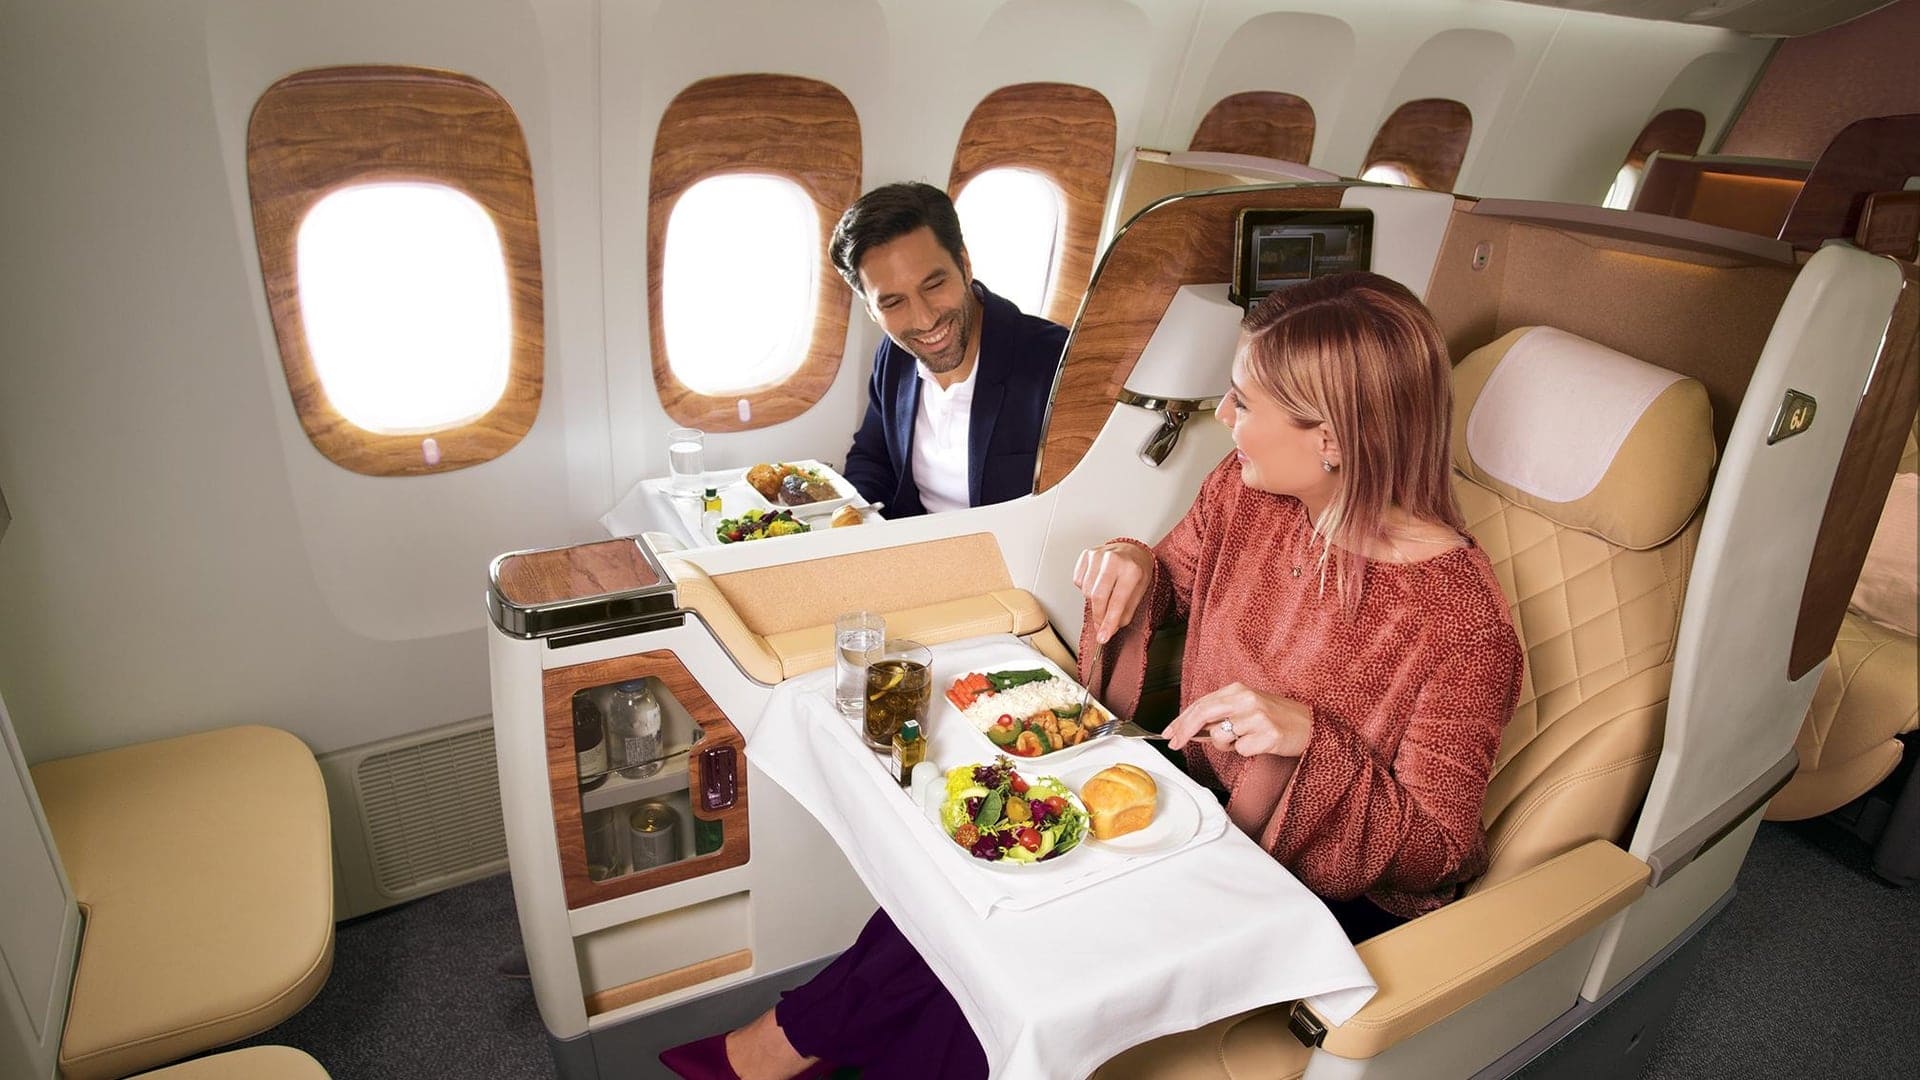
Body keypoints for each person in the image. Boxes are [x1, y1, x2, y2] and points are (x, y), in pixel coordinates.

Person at [660, 272, 1524, 1080]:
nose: (1222, 415)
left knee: (1025, 951)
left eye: (1245, 401)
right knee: (978, 879)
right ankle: (782, 1046)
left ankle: (778, 1054)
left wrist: (1311, 740)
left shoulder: (1460, 622)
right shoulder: (1252, 490)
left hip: (1303, 888)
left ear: (1333, 439)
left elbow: (1441, 851)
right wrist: (1133, 564)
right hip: (1200, 802)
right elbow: (1179, 569)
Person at [832, 182, 1069, 517]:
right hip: (917, 552)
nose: (925, 319)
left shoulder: (1056, 361)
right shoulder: (894, 355)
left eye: (934, 284)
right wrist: (855, 525)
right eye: (894, 302)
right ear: (872, 311)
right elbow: (873, 458)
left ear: (965, 264)